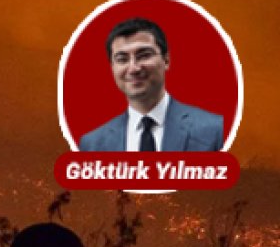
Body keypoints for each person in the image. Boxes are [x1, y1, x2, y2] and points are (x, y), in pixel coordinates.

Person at [78, 17, 223, 151]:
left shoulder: (215, 130)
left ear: (166, 60)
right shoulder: (92, 145)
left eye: (144, 55)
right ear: (112, 67)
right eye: (122, 59)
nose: (134, 68)